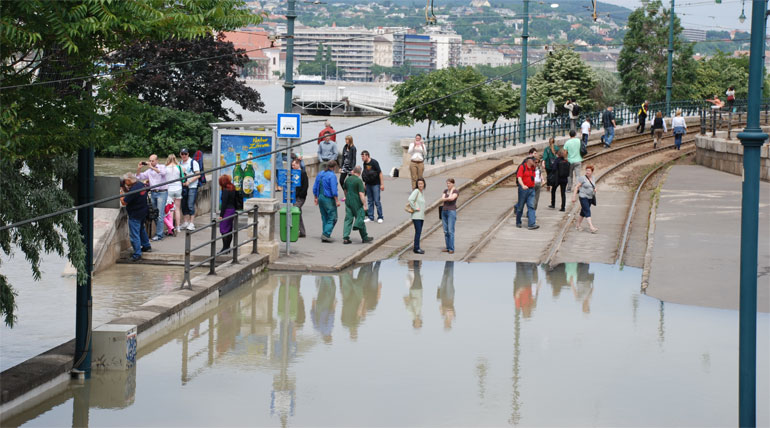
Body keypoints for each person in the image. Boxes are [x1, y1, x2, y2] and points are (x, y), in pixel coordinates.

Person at [120, 173, 151, 262]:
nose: (125, 183)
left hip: (134, 214)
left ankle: (137, 254)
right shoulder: (140, 184)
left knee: (134, 235)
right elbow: (131, 195)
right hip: (143, 212)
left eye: (125, 181)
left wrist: (121, 194)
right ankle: (146, 245)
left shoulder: (133, 190)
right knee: (141, 229)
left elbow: (124, 202)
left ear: (129, 180)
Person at [136, 154, 167, 241]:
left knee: (160, 214)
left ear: (157, 160)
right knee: (155, 214)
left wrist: (152, 167)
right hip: (153, 193)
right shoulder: (149, 171)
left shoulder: (162, 166)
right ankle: (159, 232)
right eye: (150, 160)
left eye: (152, 161)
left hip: (162, 193)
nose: (151, 162)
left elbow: (163, 173)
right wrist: (139, 168)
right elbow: (138, 177)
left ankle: (159, 235)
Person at [342, 166, 373, 245]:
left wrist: (346, 197)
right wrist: (364, 204)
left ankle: (345, 237)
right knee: (360, 217)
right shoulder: (358, 181)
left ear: (353, 171)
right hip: (356, 201)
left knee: (348, 219)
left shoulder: (348, 179)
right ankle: (364, 236)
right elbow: (361, 194)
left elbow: (345, 190)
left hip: (348, 201)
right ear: (360, 173)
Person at [313, 160, 340, 242]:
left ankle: (325, 234)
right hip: (328, 199)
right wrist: (337, 200)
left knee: (324, 217)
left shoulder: (321, 173)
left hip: (320, 197)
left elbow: (315, 187)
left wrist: (316, 197)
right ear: (334, 167)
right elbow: (333, 190)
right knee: (333, 217)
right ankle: (326, 234)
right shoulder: (332, 176)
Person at [572, 165, 599, 234]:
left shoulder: (593, 178)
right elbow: (576, 187)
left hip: (590, 197)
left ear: (592, 172)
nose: (587, 172)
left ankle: (578, 225)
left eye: (589, 171)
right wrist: (574, 197)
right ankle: (591, 227)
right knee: (587, 211)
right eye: (586, 170)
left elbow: (593, 186)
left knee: (583, 212)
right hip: (583, 196)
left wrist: (595, 189)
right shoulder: (582, 178)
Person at [179, 148, 201, 231]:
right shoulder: (180, 163)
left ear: (188, 154)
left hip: (192, 186)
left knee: (190, 204)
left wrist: (189, 181)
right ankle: (185, 222)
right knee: (183, 205)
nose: (184, 155)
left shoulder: (193, 162)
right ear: (180, 154)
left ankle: (191, 223)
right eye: (182, 154)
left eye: (185, 154)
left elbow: (198, 174)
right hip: (183, 186)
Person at [515, 156, 539, 230]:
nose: (535, 163)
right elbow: (519, 177)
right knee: (520, 207)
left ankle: (531, 224)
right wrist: (522, 185)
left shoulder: (533, 168)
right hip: (523, 190)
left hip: (531, 189)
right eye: (534, 161)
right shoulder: (522, 167)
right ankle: (518, 222)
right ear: (529, 161)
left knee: (531, 206)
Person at [361, 150, 384, 223]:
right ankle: (371, 217)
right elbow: (366, 173)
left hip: (376, 184)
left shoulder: (374, 162)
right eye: (361, 156)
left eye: (363, 156)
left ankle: (380, 217)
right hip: (368, 184)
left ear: (367, 156)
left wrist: (382, 184)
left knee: (377, 201)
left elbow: (380, 173)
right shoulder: (364, 163)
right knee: (370, 201)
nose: (362, 158)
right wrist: (365, 184)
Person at [218, 175, 237, 252]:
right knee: (229, 229)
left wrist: (221, 215)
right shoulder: (232, 188)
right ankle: (228, 247)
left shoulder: (225, 190)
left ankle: (225, 248)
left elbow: (224, 204)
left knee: (223, 229)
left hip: (227, 211)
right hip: (232, 209)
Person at [165, 154, 183, 236]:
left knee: (170, 210)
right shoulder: (179, 167)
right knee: (177, 209)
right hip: (178, 188)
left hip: (169, 189)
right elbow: (182, 177)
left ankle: (171, 228)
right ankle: (178, 227)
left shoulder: (165, 168)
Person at [440, 178, 459, 254]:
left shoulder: (455, 191)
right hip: (444, 211)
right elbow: (442, 199)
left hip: (451, 211)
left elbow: (452, 198)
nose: (448, 185)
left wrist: (446, 198)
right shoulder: (445, 191)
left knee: (450, 231)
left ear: (453, 184)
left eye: (450, 183)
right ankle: (447, 247)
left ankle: (451, 248)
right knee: (445, 230)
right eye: (447, 183)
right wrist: (447, 198)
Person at [408, 178, 426, 254]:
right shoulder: (416, 191)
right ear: (417, 185)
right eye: (419, 184)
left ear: (424, 184)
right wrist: (415, 208)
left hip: (421, 216)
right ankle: (416, 248)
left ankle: (417, 247)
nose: (420, 185)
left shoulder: (421, 192)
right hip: (416, 216)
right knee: (418, 232)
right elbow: (410, 199)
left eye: (421, 184)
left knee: (419, 232)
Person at [292, 157, 309, 237]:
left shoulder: (302, 173)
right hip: (294, 196)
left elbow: (305, 185)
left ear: (298, 164)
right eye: (292, 165)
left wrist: (301, 194)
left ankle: (295, 230)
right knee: (298, 214)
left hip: (300, 197)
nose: (293, 167)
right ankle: (302, 232)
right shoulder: (293, 173)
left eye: (294, 165)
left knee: (295, 211)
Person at [437, 261, 455, 330]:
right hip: (449, 297)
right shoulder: (452, 317)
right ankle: (450, 262)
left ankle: (448, 262)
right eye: (448, 324)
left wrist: (444, 310)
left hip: (443, 297)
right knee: (449, 278)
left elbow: (440, 307)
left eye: (446, 324)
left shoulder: (443, 315)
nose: (447, 323)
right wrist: (447, 310)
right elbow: (451, 309)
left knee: (445, 277)